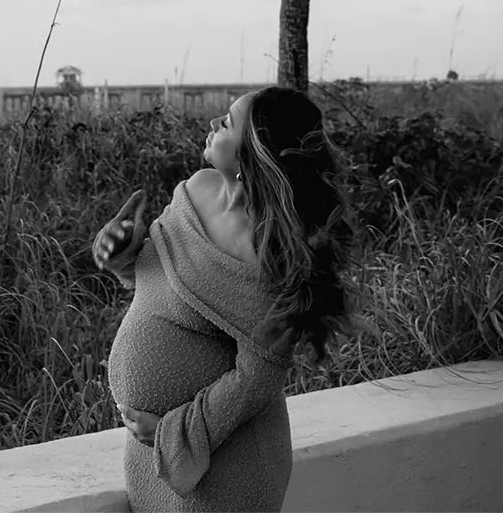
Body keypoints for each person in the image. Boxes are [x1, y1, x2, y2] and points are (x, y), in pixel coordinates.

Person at [95, 86, 354, 511]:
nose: (214, 123)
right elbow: (158, 282)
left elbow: (259, 376)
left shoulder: (271, 252)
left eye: (229, 122)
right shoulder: (197, 189)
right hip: (154, 459)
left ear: (255, 151)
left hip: (223, 465)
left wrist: (173, 433)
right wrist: (122, 252)